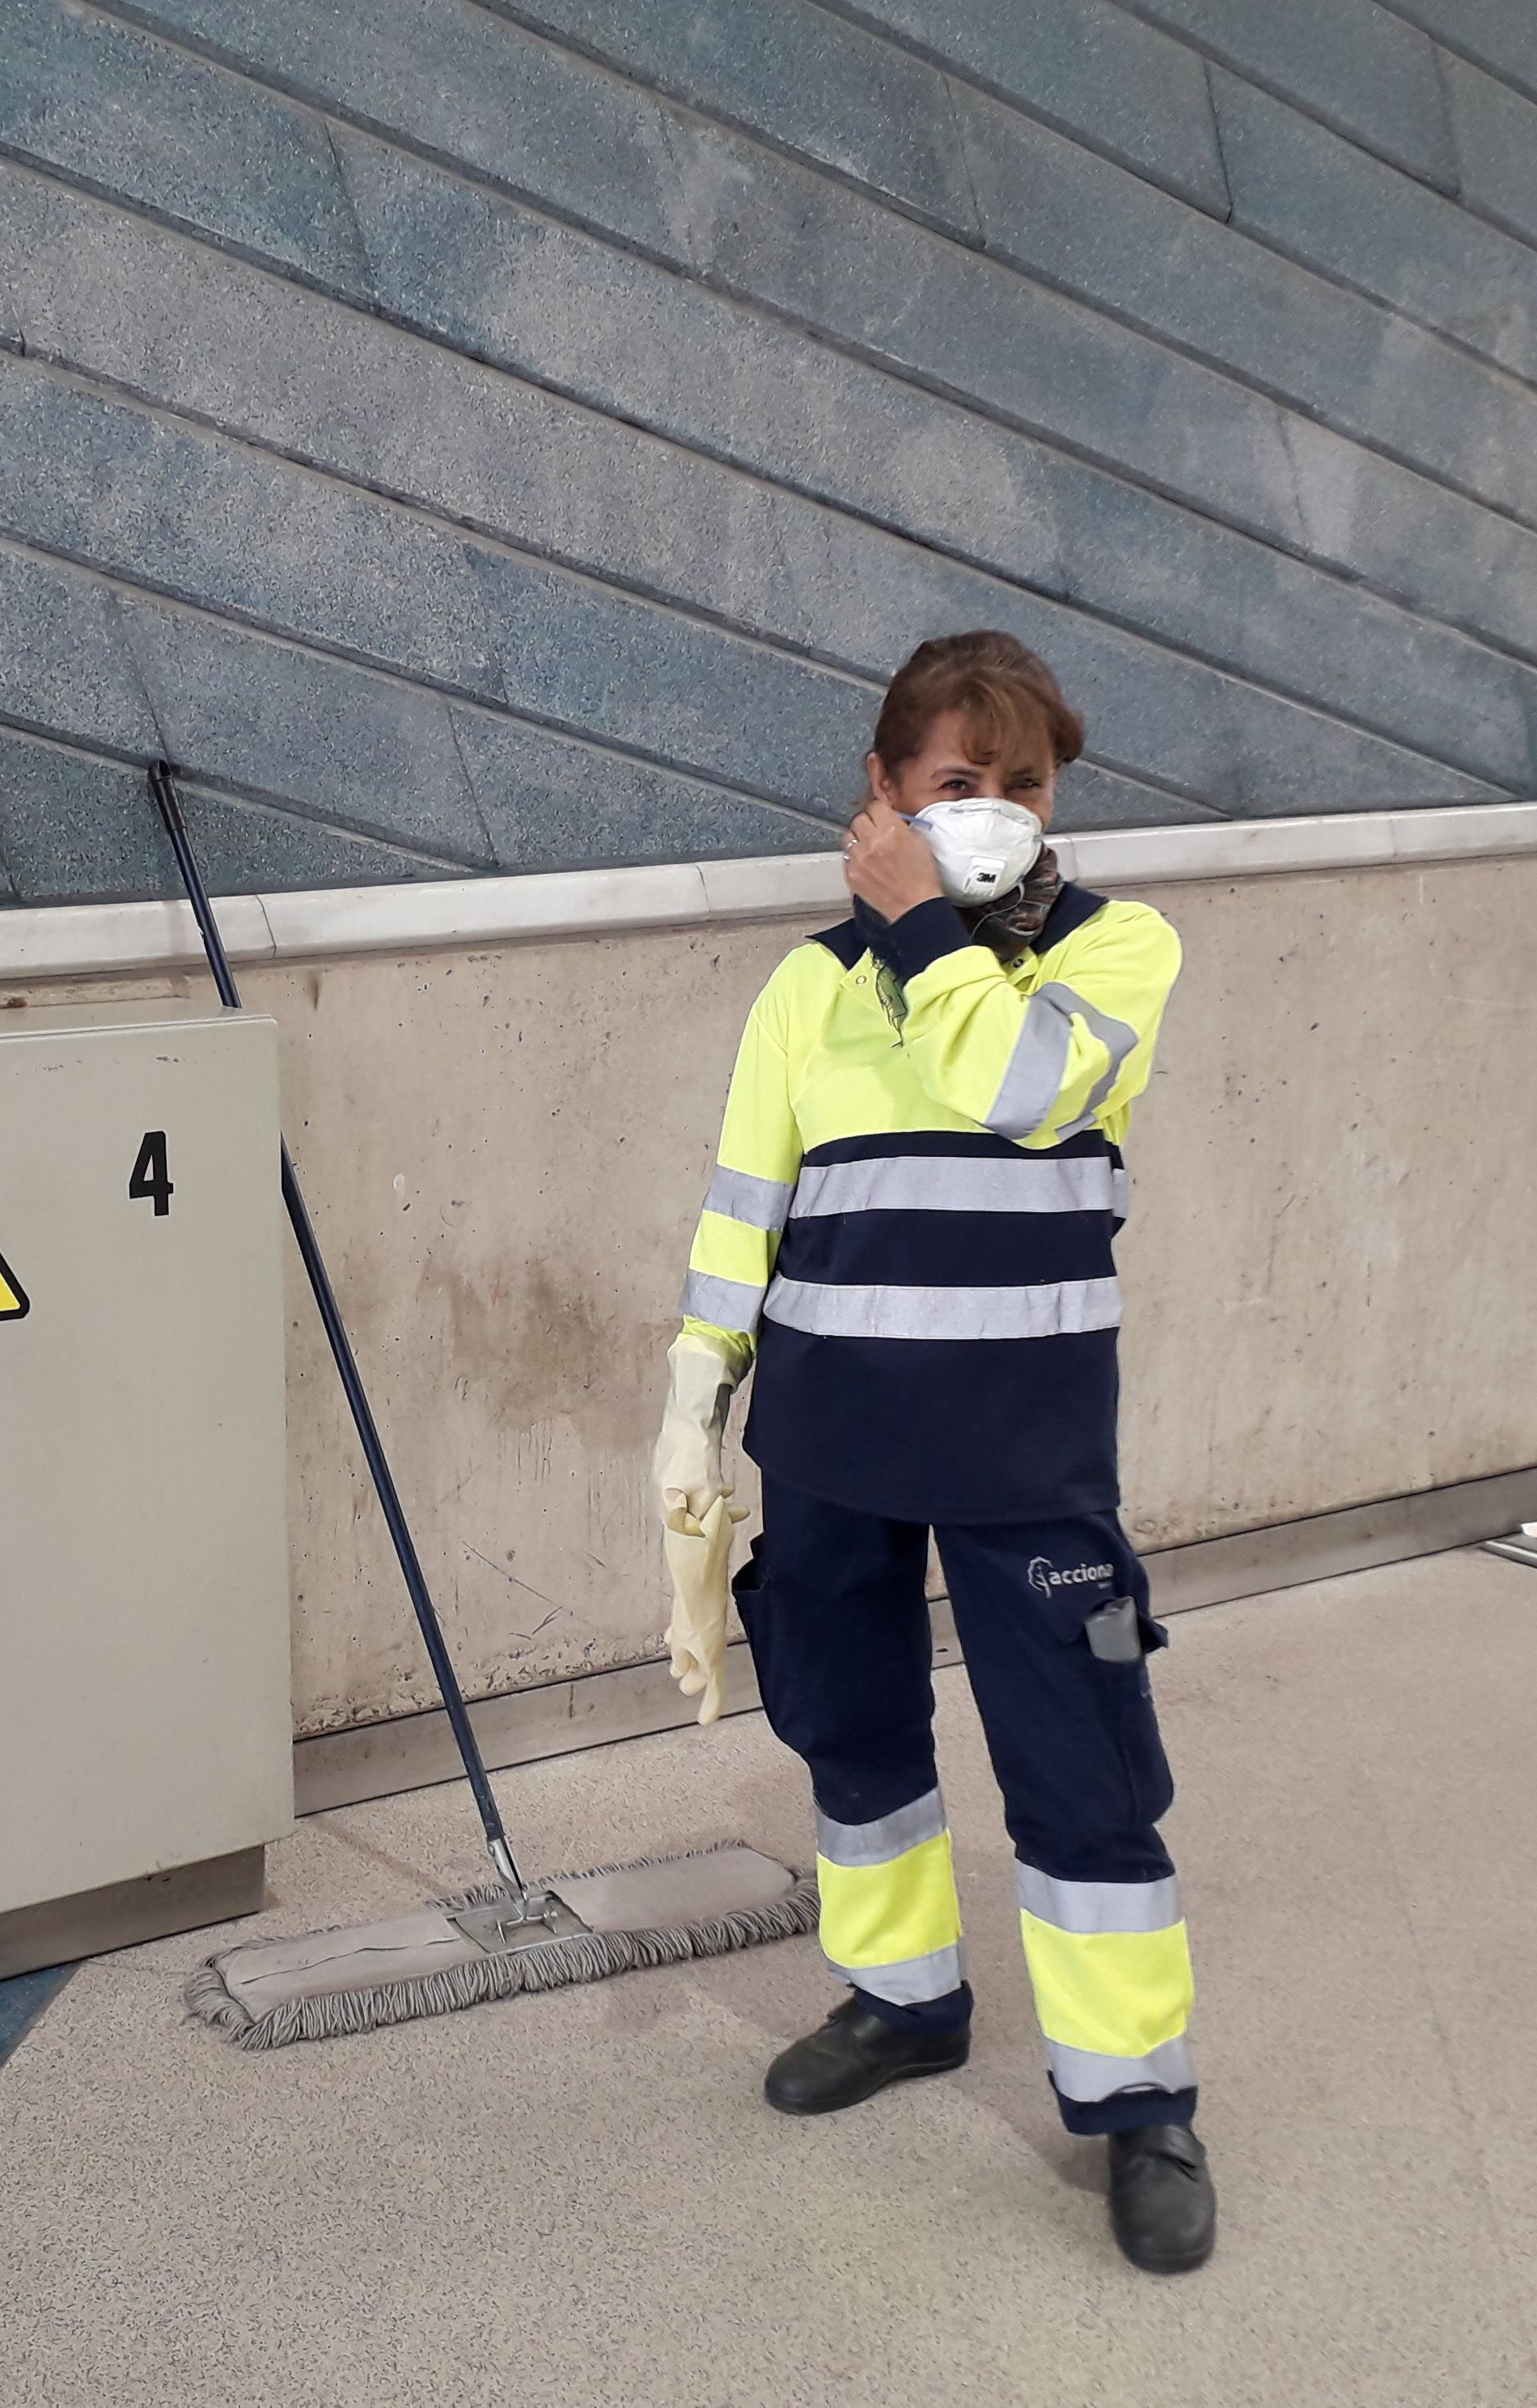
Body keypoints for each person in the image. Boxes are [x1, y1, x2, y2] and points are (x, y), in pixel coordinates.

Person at [655, 630, 1214, 2273]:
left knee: (1082, 1768)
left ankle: (1138, 2102)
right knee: (852, 1728)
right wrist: (696, 1384)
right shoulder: (803, 988)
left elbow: (1017, 1095)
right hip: (829, 1433)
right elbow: (748, 1196)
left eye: (1019, 785)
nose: (989, 811)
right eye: (953, 784)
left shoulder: (1117, 957)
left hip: (1025, 1452)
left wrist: (917, 923)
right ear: (881, 794)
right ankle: (903, 2001)